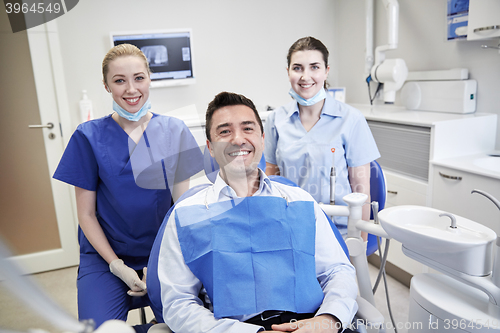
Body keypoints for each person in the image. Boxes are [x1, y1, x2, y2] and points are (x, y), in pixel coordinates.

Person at [156, 92, 358, 333]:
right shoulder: (187, 215)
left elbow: (337, 270)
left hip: (311, 323)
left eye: (247, 128)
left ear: (262, 139)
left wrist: (328, 319)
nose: (238, 139)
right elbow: (178, 303)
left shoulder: (300, 201)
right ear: (210, 148)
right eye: (224, 131)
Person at [53, 44, 203, 333]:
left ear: (149, 79)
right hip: (105, 256)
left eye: (139, 78)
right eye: (119, 80)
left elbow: (180, 209)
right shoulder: (88, 137)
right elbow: (86, 216)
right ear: (107, 86)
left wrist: (164, 259)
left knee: (184, 325)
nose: (131, 89)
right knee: (100, 330)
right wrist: (116, 265)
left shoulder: (174, 130)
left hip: (161, 252)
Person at [264, 37, 380, 238]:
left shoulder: (351, 120)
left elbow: (361, 191)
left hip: (339, 229)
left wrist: (359, 243)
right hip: (290, 226)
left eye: (314, 67)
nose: (305, 76)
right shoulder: (276, 120)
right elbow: (272, 180)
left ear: (326, 71)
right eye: (298, 68)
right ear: (288, 72)